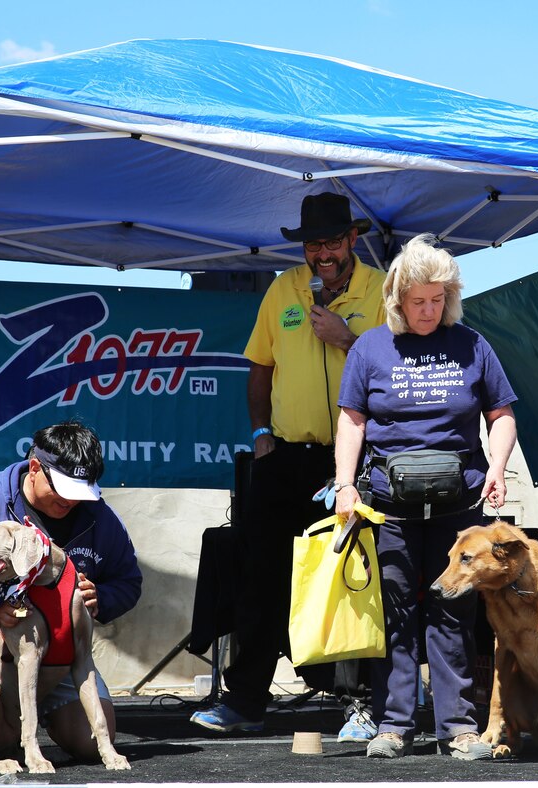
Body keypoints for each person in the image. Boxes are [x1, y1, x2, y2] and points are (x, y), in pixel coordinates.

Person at [189, 192, 386, 742]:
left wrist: (346, 339)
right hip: (284, 458)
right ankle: (246, 699)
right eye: (313, 244)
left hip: (349, 460)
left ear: (352, 239)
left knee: (349, 582)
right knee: (262, 578)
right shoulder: (282, 289)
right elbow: (260, 369)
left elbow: (397, 374)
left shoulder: (381, 290)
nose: (322, 254)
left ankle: (359, 704)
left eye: (332, 242)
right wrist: (261, 437)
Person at [333, 233, 518, 761]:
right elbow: (351, 421)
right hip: (388, 507)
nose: (429, 310)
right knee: (394, 612)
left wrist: (498, 468)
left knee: (454, 613)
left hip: (459, 509)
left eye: (438, 300)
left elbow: (501, 415)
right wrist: (346, 484)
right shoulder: (370, 347)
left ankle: (457, 727)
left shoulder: (472, 344)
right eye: (419, 301)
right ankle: (393, 725)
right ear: (397, 297)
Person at [0, 420, 142, 765]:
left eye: (81, 491)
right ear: (35, 468)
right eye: (63, 488)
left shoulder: (99, 517)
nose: (71, 500)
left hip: (58, 663)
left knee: (92, 743)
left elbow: (129, 581)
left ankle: (38, 718)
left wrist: (101, 598)